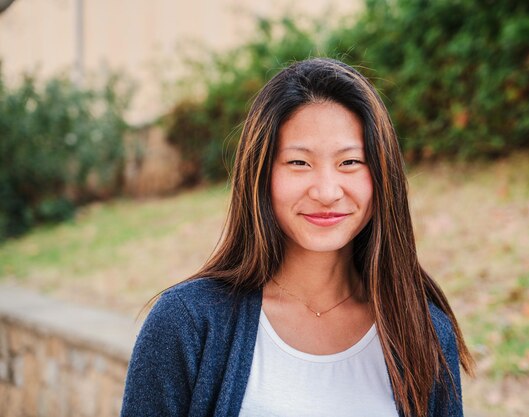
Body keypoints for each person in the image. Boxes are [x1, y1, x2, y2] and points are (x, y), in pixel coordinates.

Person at [121, 58, 474, 417]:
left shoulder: (422, 331)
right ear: (260, 175)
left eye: (350, 162)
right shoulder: (186, 322)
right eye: (298, 163)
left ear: (383, 175)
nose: (326, 191)